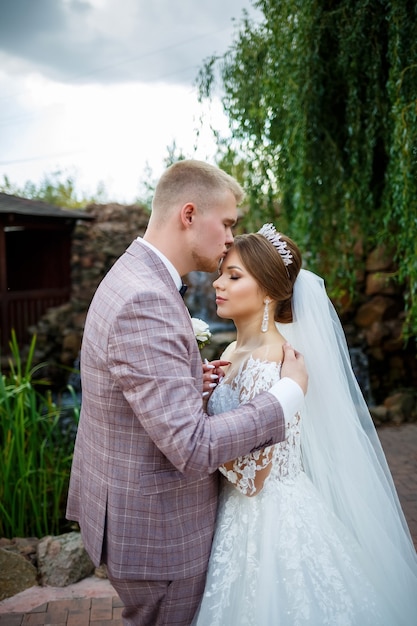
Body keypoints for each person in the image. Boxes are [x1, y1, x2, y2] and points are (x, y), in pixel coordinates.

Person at [66, 161, 308, 626]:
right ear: (190, 214)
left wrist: (182, 384)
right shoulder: (147, 300)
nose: (228, 241)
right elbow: (193, 447)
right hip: (162, 535)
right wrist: (284, 398)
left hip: (137, 511)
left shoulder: (132, 274)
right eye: (228, 224)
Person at [191, 224, 417, 626]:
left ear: (271, 292)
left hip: (266, 518)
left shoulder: (272, 359)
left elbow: (254, 478)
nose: (218, 284)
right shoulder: (232, 349)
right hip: (237, 511)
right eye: (222, 272)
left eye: (234, 275)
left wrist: (196, 438)